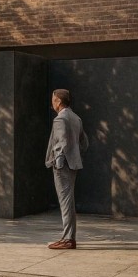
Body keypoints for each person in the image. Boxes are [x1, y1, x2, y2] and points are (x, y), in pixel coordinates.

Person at [45, 89, 88, 250]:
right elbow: (85, 143)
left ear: (58, 101)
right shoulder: (76, 118)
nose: (52, 102)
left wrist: (58, 161)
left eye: (53, 99)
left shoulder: (60, 119)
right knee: (68, 200)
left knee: (66, 202)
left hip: (62, 166)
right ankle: (69, 237)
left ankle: (68, 239)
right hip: (73, 164)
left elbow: (61, 144)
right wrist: (75, 156)